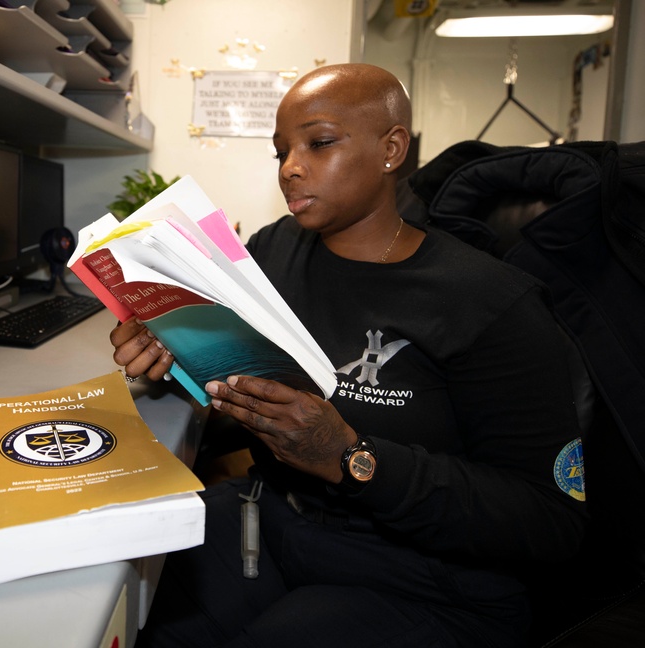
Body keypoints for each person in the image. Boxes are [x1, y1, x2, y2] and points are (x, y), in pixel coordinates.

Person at [109, 63, 587, 647]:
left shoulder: (492, 304)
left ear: (391, 149)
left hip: (423, 579)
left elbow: (552, 523)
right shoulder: (274, 251)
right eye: (281, 151)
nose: (291, 167)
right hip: (276, 519)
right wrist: (175, 353)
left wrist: (352, 457)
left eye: (320, 143)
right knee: (121, 587)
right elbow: (246, 392)